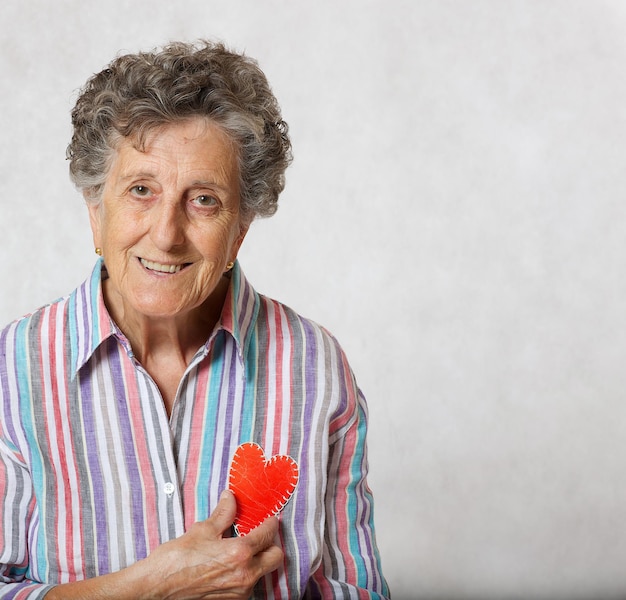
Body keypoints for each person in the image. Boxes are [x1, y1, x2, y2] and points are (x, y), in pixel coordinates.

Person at [0, 41, 389, 599]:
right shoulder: (12, 372)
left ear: (241, 230)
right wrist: (147, 589)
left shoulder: (316, 368)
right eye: (140, 190)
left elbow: (359, 591)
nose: (166, 234)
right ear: (95, 211)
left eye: (203, 200)